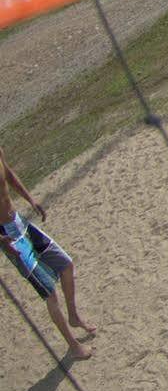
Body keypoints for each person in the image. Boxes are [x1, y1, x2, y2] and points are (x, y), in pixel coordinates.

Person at [1, 146, 96, 359]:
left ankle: (73, 316)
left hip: (20, 223)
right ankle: (73, 346)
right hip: (9, 238)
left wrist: (30, 200)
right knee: (49, 293)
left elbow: (9, 175)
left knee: (66, 264)